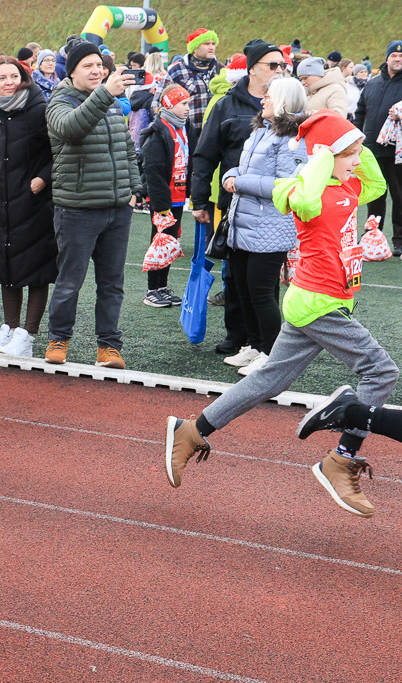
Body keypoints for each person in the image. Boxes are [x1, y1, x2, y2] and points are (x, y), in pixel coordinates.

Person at [164, 111, 396, 520]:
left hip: (328, 300)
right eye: (349, 155)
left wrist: (355, 141)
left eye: (358, 154)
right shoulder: (298, 188)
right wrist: (323, 155)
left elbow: (376, 183)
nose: (356, 161)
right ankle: (342, 459)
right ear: (324, 156)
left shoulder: (349, 185)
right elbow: (306, 199)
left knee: (269, 379)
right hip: (316, 303)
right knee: (381, 372)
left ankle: (193, 430)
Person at [43, 41, 138, 367]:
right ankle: (58, 339)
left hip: (117, 208)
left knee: (112, 284)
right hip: (77, 209)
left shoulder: (111, 103)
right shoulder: (60, 100)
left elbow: (126, 147)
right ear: (71, 71)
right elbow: (71, 129)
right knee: (70, 282)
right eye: (89, 66)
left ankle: (108, 347)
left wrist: (134, 189)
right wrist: (104, 94)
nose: (97, 71)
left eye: (100, 65)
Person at [191, 39, 286, 356]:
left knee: (264, 278)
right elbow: (205, 155)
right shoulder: (226, 104)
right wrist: (200, 199)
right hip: (232, 203)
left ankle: (264, 344)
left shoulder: (285, 103)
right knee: (234, 273)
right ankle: (239, 335)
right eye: (272, 65)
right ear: (252, 68)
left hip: (272, 205)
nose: (279, 70)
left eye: (282, 65)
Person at [219, 77, 308, 375]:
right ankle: (256, 346)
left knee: (260, 291)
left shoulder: (293, 139)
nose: (262, 100)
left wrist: (239, 181)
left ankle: (272, 354)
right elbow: (242, 167)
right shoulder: (261, 131)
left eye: (268, 96)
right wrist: (230, 175)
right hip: (245, 222)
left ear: (283, 100)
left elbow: (288, 183)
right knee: (243, 288)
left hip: (270, 226)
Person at [0, 56, 55, 358]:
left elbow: (57, 149)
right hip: (3, 199)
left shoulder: (39, 109)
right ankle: (9, 329)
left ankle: (27, 336)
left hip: (34, 198)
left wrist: (43, 179)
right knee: (7, 263)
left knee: (36, 267)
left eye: (14, 76)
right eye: (2, 78)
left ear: (24, 78)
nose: (9, 82)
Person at [140, 85, 193, 308]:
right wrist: (161, 204)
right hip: (164, 199)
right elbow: (152, 169)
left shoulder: (184, 127)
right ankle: (152, 290)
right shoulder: (158, 131)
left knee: (171, 242)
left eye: (188, 104)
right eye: (184, 104)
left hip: (179, 197)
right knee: (160, 242)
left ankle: (162, 287)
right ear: (170, 105)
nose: (188, 109)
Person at [355, 40, 402, 254]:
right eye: (394, 55)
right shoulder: (372, 84)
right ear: (387, 58)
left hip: (397, 152)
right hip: (372, 149)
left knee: (399, 196)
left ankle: (399, 241)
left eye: (401, 56)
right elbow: (360, 113)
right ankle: (373, 236)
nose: (398, 59)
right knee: (375, 194)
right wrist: (356, 137)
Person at [152, 28, 223, 131]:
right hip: (186, 134)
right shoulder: (177, 70)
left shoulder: (221, 69)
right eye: (206, 44)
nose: (211, 47)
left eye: (213, 43)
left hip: (215, 133)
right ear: (194, 47)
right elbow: (158, 103)